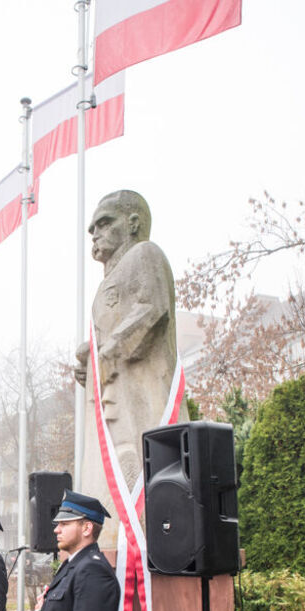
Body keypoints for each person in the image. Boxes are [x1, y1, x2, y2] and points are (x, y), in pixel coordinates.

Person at [75, 190, 188, 544]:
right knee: (118, 469)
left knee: (143, 467)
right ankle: (117, 539)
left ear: (133, 223)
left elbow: (152, 309)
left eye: (104, 222)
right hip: (113, 394)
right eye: (92, 227)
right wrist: (89, 361)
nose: (94, 232)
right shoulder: (104, 284)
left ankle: (146, 536)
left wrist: (107, 352)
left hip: (145, 392)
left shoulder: (145, 254)